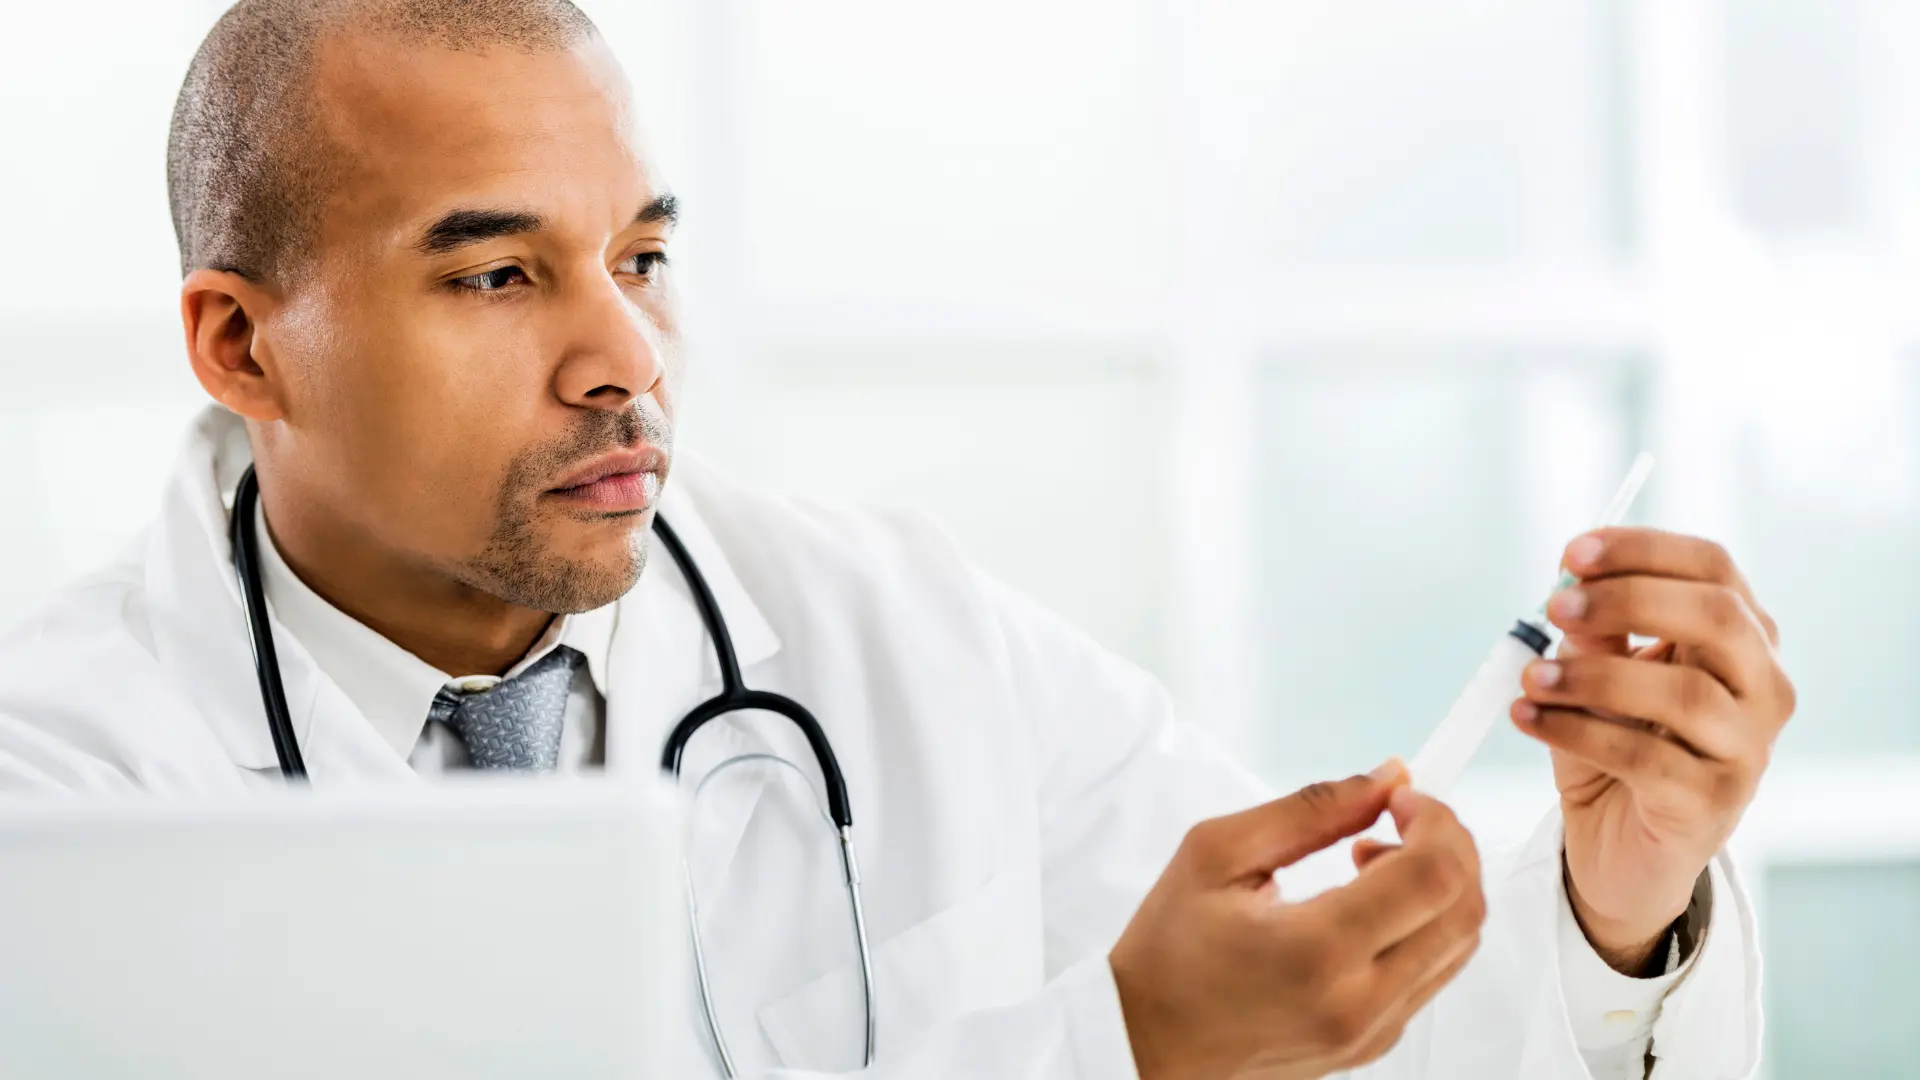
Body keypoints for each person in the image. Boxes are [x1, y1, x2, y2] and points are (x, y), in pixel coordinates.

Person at [0, 2, 1793, 1077]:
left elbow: (1328, 1021)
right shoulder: (64, 794)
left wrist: (1617, 907)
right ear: (243, 345)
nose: (625, 360)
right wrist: (1111, 1055)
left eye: (640, 258)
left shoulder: (891, 627)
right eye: (496, 273)